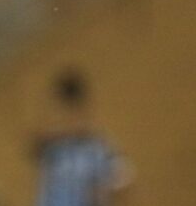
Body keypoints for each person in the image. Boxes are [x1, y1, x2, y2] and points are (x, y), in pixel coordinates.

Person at [34, 69, 133, 206]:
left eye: (72, 111)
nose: (66, 119)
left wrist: (103, 190)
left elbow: (123, 180)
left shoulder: (98, 146)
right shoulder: (52, 150)